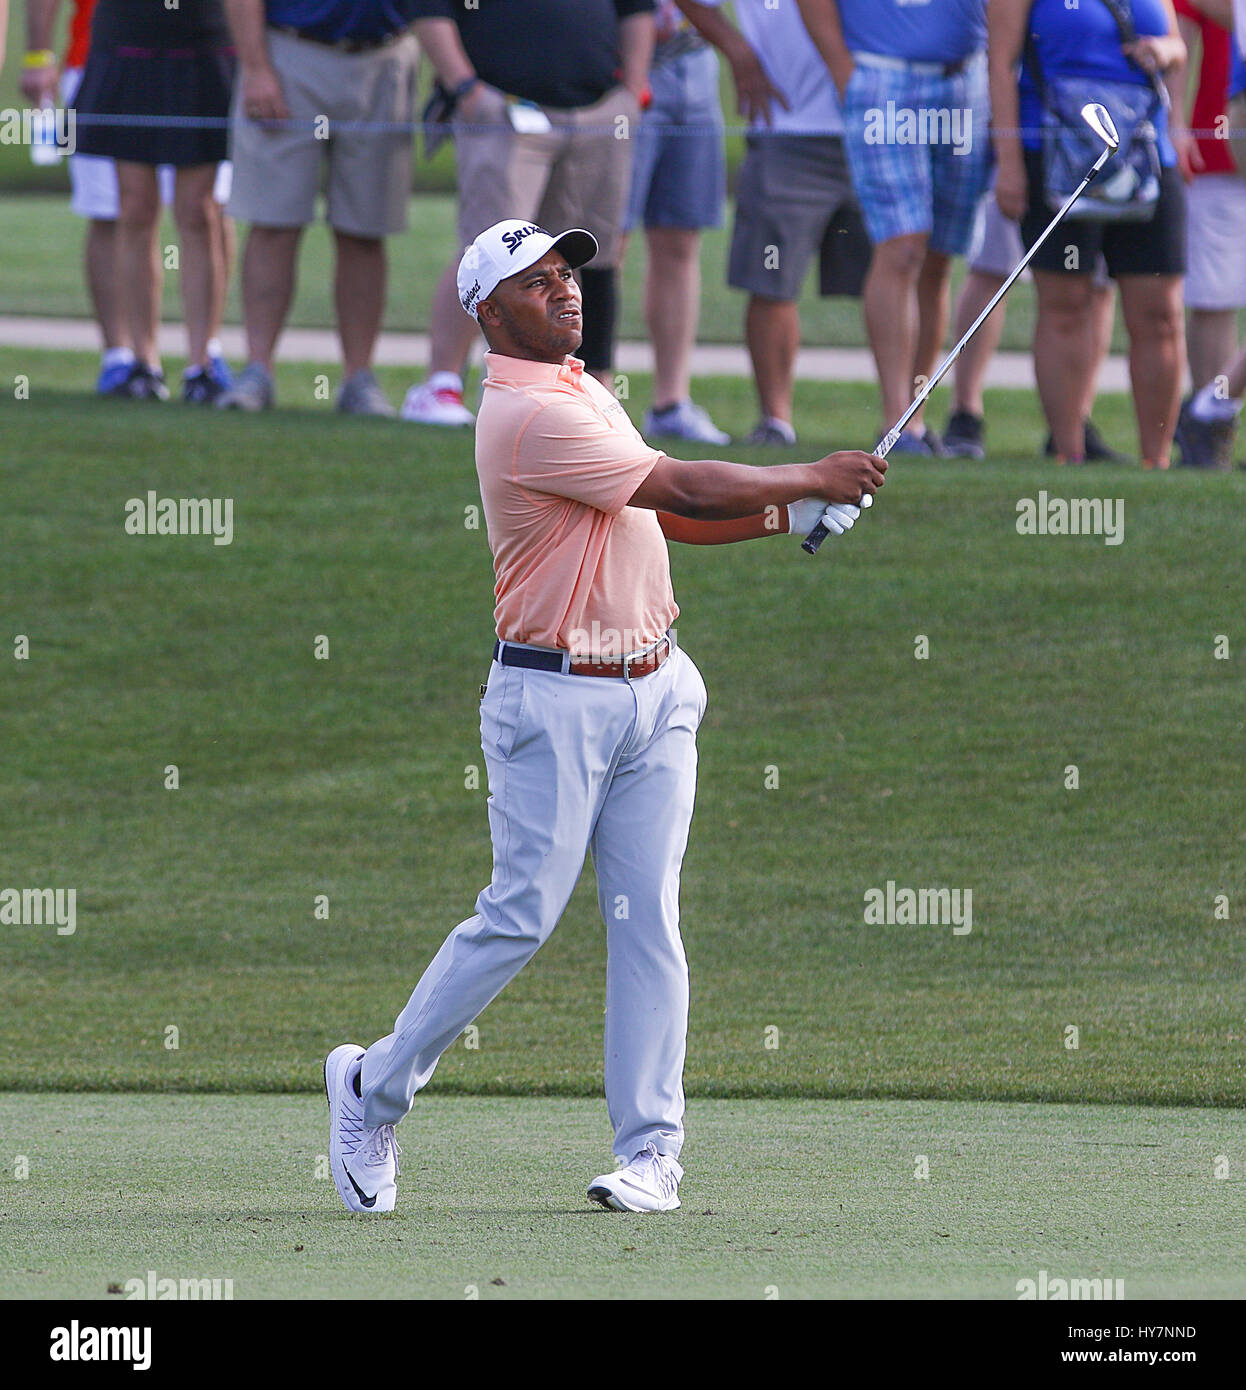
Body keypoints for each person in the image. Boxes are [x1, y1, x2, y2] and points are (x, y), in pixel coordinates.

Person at [324, 218, 886, 1215]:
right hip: (552, 699)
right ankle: (373, 1086)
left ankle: (651, 1151)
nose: (566, 291)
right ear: (490, 316)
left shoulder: (580, 388)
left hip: (657, 688)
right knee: (518, 918)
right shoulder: (527, 413)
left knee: (648, 922)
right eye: (537, 285)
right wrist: (809, 475)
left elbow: (658, 515)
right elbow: (678, 481)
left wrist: (786, 516)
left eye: (566, 274)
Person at [400, 0, 655, 426]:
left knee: (591, 254)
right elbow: (430, 7)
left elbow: (636, 8)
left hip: (597, 109)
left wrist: (632, 90)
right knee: (488, 252)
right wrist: (464, 89)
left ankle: (591, 388)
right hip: (503, 108)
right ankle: (441, 383)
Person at [992, 0, 1188, 468]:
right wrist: (1010, 163)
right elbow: (1000, 63)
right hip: (1055, 154)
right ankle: (1069, 453)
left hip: (1146, 157)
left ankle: (1155, 462)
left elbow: (1178, 46)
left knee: (1160, 314)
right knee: (1065, 306)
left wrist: (1164, 50)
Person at [799, 0, 991, 456]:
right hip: (883, 78)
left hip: (967, 79)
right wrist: (846, 73)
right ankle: (895, 420)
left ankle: (916, 420)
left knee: (939, 257)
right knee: (902, 247)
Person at [22, 0, 235, 399]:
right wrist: (37, 53)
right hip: (125, 43)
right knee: (134, 206)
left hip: (204, 43)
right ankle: (140, 362)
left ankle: (202, 365)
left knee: (199, 210)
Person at [217, 0, 421, 416]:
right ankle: (257, 371)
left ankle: (359, 379)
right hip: (290, 53)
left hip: (385, 56)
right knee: (273, 222)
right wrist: (256, 67)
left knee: (365, 231)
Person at [681, 0, 868, 446]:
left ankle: (905, 424)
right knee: (772, 281)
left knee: (899, 277)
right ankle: (776, 422)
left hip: (880, 124)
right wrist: (738, 52)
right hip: (787, 125)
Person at [942, 184, 1122, 461]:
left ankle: (1075, 421)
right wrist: (1008, 160)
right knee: (991, 268)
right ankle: (965, 413)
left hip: (1101, 174)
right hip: (1028, 161)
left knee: (1097, 285)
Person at [622, 0, 731, 446]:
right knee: (607, 241)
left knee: (680, 242)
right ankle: (580, 394)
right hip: (626, 59)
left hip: (695, 60)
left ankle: (670, 403)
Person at [1171, 0, 1246, 467]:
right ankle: (1209, 417)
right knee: (1215, 296)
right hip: (1215, 149)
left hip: (1226, 134)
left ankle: (1212, 411)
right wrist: (1177, 124)